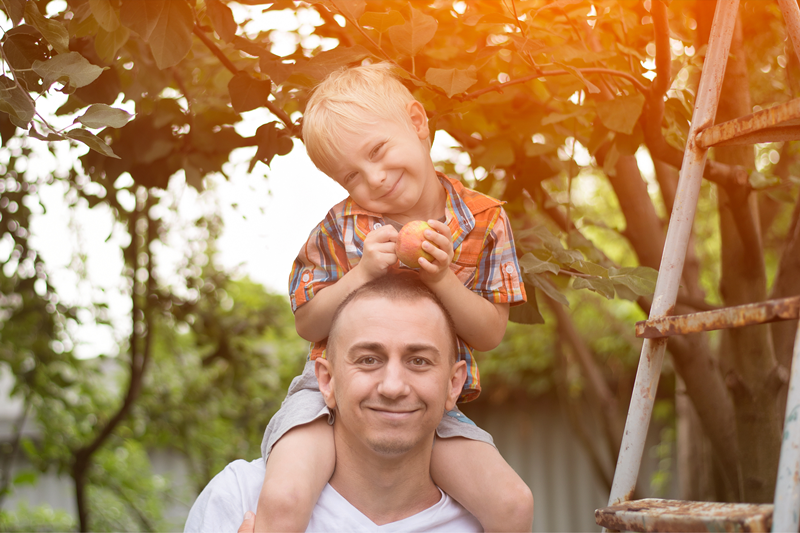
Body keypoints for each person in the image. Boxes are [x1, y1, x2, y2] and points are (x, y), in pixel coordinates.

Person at [259, 63, 533, 533]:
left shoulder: (484, 221)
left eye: (378, 151)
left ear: (418, 122)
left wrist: (443, 278)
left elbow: (489, 333)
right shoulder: (342, 227)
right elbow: (308, 323)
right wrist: (361, 273)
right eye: (352, 176)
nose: (376, 179)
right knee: (283, 500)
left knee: (512, 503)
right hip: (330, 395)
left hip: (424, 404)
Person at [185, 274, 488, 532]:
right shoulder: (240, 498)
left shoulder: (485, 521)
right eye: (369, 360)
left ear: (454, 384)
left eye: (419, 361)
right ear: (326, 381)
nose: (393, 387)